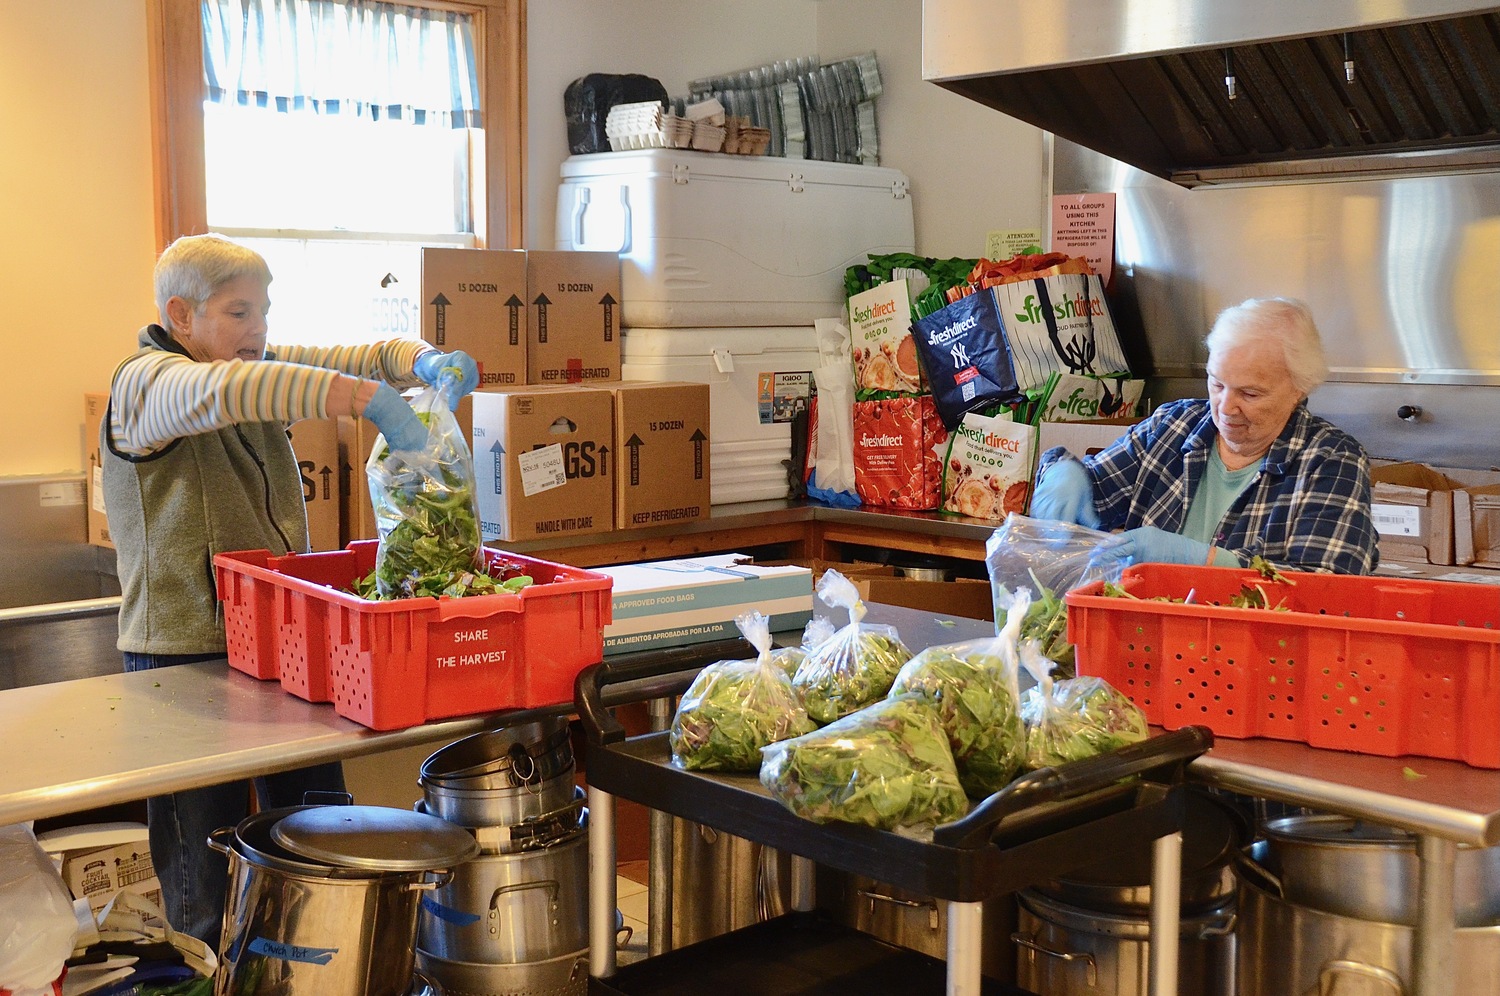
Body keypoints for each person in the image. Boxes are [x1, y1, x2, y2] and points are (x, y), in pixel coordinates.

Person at [101, 233, 479, 950]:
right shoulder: (146, 386)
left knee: (320, 836)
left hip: (284, 651)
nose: (260, 331)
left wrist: (414, 360)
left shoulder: (244, 364)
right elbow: (224, 393)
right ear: (181, 315)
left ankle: (320, 967)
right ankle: (203, 975)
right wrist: (369, 403)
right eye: (239, 312)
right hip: (183, 662)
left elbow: (344, 360)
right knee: (199, 873)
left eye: (265, 311)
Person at [1030, 297, 1379, 575]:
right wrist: (1064, 473)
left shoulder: (1331, 460)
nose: (1225, 408)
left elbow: (1327, 585)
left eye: (1250, 394)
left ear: (1299, 390)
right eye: (1216, 383)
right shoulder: (1173, 426)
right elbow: (1095, 487)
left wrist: (1209, 562)